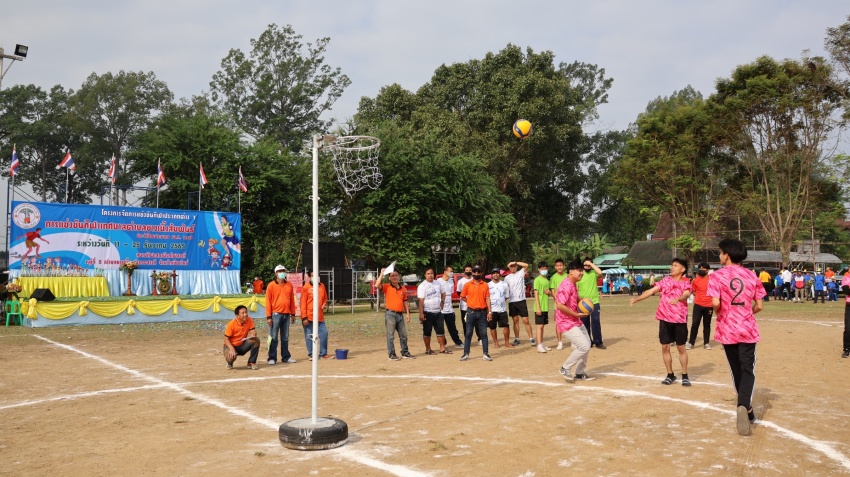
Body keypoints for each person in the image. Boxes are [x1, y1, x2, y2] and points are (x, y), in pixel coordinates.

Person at [708, 238, 765, 436]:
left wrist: (722, 314)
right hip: (747, 328)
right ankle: (745, 406)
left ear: (727, 255)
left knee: (736, 370)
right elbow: (759, 305)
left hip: (727, 328)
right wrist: (746, 314)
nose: (719, 255)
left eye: (720, 252)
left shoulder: (716, 276)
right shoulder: (751, 275)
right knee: (748, 369)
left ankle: (745, 405)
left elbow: (715, 303)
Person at [631, 258, 693, 386]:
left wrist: (679, 298)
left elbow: (686, 294)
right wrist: (637, 299)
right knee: (665, 347)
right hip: (664, 319)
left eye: (675, 265)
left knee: (681, 347)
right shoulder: (665, 281)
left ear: (683, 269)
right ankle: (670, 375)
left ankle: (685, 375)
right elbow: (651, 291)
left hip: (679, 319)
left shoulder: (686, 283)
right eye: (672, 265)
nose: (672, 267)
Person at [555, 259, 594, 381]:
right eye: (579, 270)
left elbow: (575, 298)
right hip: (565, 322)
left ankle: (579, 373)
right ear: (571, 271)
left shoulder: (573, 283)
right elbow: (559, 305)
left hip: (574, 320)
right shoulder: (566, 285)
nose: (581, 273)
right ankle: (565, 368)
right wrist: (576, 314)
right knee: (584, 346)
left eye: (582, 270)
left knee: (587, 344)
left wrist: (584, 301)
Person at [378, 267, 414, 361]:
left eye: (396, 275)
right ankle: (391, 354)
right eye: (392, 276)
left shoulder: (403, 288)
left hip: (400, 314)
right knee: (390, 335)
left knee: (403, 335)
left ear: (399, 277)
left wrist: (408, 314)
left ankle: (405, 352)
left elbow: (405, 301)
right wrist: (382, 274)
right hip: (390, 314)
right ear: (389, 278)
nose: (395, 277)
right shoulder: (387, 287)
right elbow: (377, 285)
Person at [460, 264, 492, 361]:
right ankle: (466, 354)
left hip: (482, 312)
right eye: (474, 271)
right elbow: (462, 296)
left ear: (481, 273)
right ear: (472, 272)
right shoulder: (467, 285)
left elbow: (487, 299)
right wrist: (470, 302)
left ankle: (485, 353)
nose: (476, 273)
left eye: (478, 272)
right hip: (471, 312)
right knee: (468, 333)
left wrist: (490, 312)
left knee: (483, 334)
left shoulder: (485, 285)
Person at [265, 265, 296, 365]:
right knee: (274, 337)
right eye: (279, 271)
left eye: (283, 271)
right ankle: (272, 357)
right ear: (275, 273)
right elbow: (268, 301)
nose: (282, 273)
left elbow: (291, 300)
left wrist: (293, 314)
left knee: (285, 337)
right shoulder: (271, 285)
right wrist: (268, 317)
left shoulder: (289, 285)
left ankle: (286, 357)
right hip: (275, 314)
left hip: (286, 314)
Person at [418, 267, 449, 354]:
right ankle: (428, 349)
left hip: (438, 312)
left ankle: (442, 348)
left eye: (431, 273)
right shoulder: (422, 286)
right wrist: (421, 313)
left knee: (440, 330)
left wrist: (442, 302)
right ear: (425, 275)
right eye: (428, 274)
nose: (430, 275)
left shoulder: (438, 283)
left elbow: (443, 293)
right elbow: (421, 301)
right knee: (427, 331)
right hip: (427, 312)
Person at [300, 270, 329, 360]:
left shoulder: (322, 286)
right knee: (309, 335)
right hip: (309, 316)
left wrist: (324, 304)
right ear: (309, 277)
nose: (315, 277)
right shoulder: (306, 287)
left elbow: (325, 298)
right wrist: (304, 317)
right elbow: (303, 303)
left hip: (319, 317)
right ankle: (311, 354)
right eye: (312, 275)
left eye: (316, 275)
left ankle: (323, 353)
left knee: (324, 333)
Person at [577, 257, 606, 349]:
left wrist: (591, 264)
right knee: (584, 323)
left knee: (595, 321)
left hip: (594, 302)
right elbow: (576, 290)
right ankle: (588, 341)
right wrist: (580, 299)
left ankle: (598, 342)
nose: (587, 266)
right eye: (585, 265)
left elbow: (600, 273)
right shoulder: (580, 275)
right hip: (582, 303)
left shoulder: (594, 273)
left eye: (589, 265)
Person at [505, 260, 534, 346]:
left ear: (517, 267)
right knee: (515, 320)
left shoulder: (520, 273)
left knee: (526, 320)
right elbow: (505, 289)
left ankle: (531, 338)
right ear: (509, 267)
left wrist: (515, 262)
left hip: (521, 300)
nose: (513, 268)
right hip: (512, 301)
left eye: (514, 266)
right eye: (511, 266)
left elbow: (526, 265)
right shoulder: (507, 278)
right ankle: (517, 339)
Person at [223, 305, 260, 370]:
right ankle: (229, 363)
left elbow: (252, 330)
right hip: (231, 345)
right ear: (237, 316)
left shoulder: (249, 319)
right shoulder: (231, 324)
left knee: (256, 340)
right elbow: (226, 339)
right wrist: (231, 348)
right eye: (242, 313)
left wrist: (253, 333)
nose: (245, 314)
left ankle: (251, 362)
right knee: (231, 357)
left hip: (242, 345)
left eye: (246, 312)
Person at [687, 263, 714, 350]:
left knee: (707, 324)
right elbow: (694, 291)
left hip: (709, 305)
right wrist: (699, 297)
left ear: (708, 270)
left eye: (703, 269)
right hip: (698, 305)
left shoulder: (712, 280)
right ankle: (691, 343)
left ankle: (706, 343)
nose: (701, 270)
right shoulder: (695, 280)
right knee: (695, 324)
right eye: (700, 269)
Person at [439, 266, 464, 348]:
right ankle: (443, 343)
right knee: (440, 328)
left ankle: (458, 342)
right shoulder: (438, 282)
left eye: (452, 271)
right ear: (445, 272)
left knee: (452, 327)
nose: (452, 273)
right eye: (450, 271)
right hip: (440, 309)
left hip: (449, 309)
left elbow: (450, 294)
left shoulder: (451, 281)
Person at [487, 267, 512, 348]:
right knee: (492, 327)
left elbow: (506, 296)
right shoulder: (488, 285)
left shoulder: (504, 284)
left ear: (499, 274)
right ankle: (496, 343)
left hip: (502, 310)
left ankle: (507, 342)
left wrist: (500, 301)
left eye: (497, 273)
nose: (495, 275)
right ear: (491, 275)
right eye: (494, 273)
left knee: (506, 326)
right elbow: (486, 298)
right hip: (492, 310)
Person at [456, 265, 481, 344]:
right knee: (466, 323)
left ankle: (480, 338)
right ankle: (467, 339)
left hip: (475, 305)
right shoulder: (461, 281)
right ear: (464, 271)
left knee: (477, 323)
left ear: (472, 271)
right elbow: (459, 293)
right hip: (464, 306)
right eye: (466, 270)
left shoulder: (476, 280)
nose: (468, 271)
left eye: (470, 270)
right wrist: (467, 300)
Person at [548, 259, 568, 349]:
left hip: (568, 304)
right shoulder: (553, 278)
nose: (559, 267)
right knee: (558, 323)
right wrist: (559, 300)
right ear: (555, 267)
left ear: (564, 266)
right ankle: (560, 342)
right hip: (558, 304)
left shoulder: (568, 276)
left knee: (570, 322)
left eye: (561, 265)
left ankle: (573, 341)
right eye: (557, 266)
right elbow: (552, 291)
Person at [532, 261, 552, 353]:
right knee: (539, 326)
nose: (544, 270)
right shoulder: (537, 280)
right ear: (539, 269)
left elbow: (548, 292)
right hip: (539, 306)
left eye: (545, 268)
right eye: (542, 268)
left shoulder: (547, 280)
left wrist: (549, 293)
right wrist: (538, 308)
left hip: (545, 306)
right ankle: (539, 345)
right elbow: (536, 294)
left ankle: (542, 343)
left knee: (542, 326)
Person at [842, 269, 850, 358]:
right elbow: (846, 290)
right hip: (849, 306)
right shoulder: (846, 278)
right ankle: (847, 349)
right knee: (848, 328)